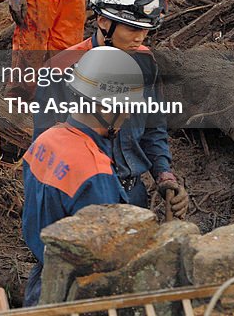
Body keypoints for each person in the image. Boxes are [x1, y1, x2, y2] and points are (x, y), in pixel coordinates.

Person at [33, 0, 188, 216]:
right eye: (132, 29)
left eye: (145, 30)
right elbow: (46, 153)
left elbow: (153, 127)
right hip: (83, 199)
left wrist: (164, 175)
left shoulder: (145, 64)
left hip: (133, 195)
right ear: (103, 21)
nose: (140, 38)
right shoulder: (60, 71)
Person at [22, 45, 144, 306]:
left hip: (41, 282)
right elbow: (102, 256)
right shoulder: (94, 172)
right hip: (76, 297)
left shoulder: (45, 141)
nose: (130, 114)